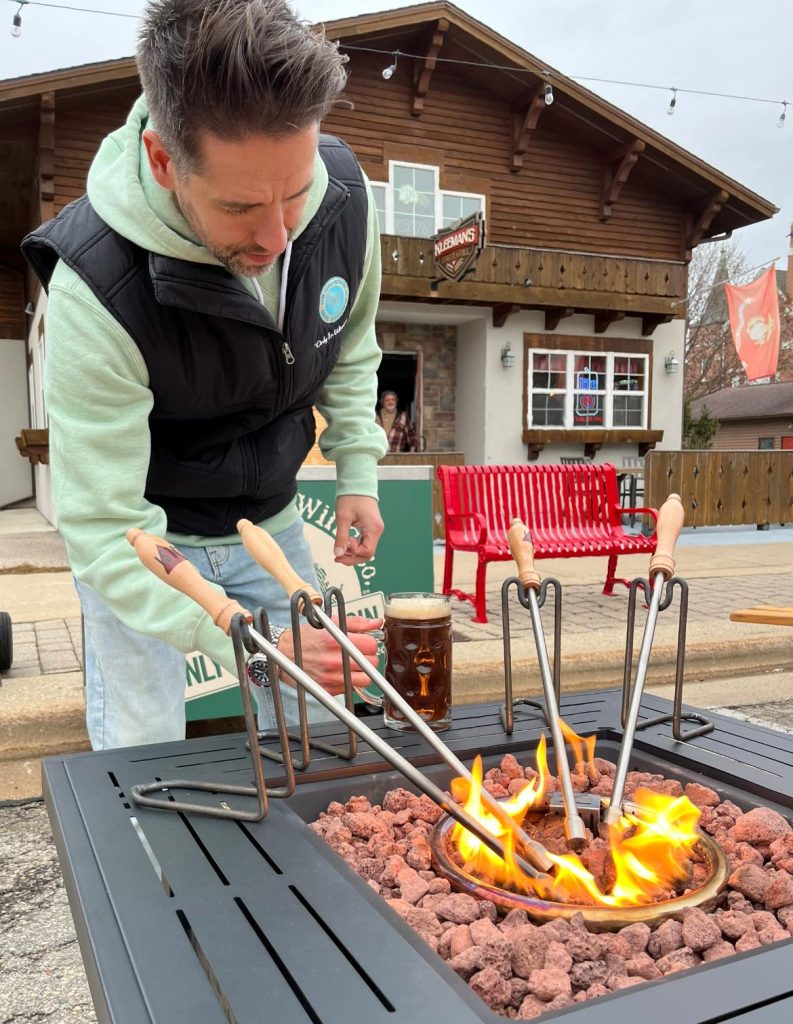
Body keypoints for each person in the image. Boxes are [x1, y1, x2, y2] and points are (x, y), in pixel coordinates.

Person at [22, 0, 389, 750]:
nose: (278, 235)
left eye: (294, 192)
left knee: (322, 725)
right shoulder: (95, 285)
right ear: (163, 160)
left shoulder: (343, 202)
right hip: (147, 540)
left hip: (270, 518)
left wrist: (357, 468)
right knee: (141, 746)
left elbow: (348, 341)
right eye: (241, 206)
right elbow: (104, 527)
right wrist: (244, 645)